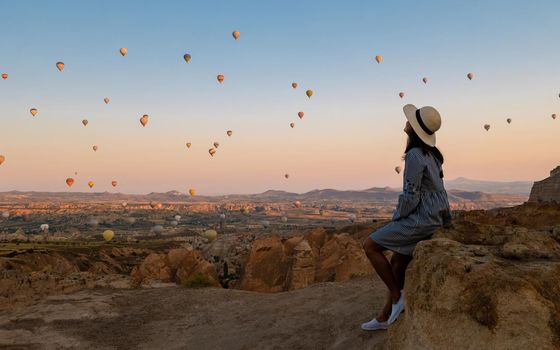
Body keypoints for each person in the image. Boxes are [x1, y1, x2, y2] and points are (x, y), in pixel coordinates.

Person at [361, 104, 451, 331]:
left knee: (370, 245)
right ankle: (384, 317)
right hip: (435, 216)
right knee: (398, 261)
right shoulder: (433, 155)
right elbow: (439, 191)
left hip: (422, 218)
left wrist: (397, 217)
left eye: (410, 119)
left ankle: (396, 296)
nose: (406, 121)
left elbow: (411, 195)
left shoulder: (414, 155)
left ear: (414, 128)